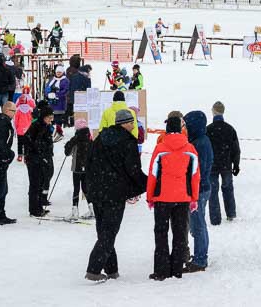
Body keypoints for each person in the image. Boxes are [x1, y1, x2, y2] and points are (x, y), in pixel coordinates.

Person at [84, 109, 146, 283]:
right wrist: (147, 183)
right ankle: (93, 269)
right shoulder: (128, 142)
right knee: (109, 231)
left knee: (104, 229)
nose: (133, 125)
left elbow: (88, 163)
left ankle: (112, 269)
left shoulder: (100, 139)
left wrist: (89, 187)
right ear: (125, 123)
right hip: (115, 192)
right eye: (131, 122)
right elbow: (133, 170)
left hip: (97, 191)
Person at [146, 114, 200, 281]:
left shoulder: (160, 149)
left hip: (162, 197)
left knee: (161, 233)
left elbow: (153, 175)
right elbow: (195, 176)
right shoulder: (190, 148)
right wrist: (194, 198)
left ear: (167, 129)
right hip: (183, 197)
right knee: (179, 232)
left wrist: (150, 196)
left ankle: (161, 270)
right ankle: (177, 269)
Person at [182, 110, 213, 273]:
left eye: (188, 125)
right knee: (198, 224)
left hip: (198, 190)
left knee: (198, 225)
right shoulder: (199, 140)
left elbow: (197, 169)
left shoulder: (199, 143)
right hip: (201, 188)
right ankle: (200, 256)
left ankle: (201, 259)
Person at [206, 101, 240, 225]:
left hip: (212, 165)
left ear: (213, 111)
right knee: (228, 188)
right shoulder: (230, 129)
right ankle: (231, 213)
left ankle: (215, 219)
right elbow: (236, 148)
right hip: (226, 164)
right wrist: (236, 164)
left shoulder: (208, 129)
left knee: (213, 191)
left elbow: (205, 149)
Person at [24, 104, 55, 217]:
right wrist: (38, 151)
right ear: (43, 117)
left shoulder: (45, 126)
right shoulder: (36, 126)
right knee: (35, 184)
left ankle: (39, 206)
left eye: (52, 118)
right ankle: (34, 209)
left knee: (41, 182)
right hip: (34, 159)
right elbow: (30, 141)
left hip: (41, 159)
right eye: (49, 118)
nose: (50, 120)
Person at [64, 118, 93, 220]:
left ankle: (75, 211)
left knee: (76, 188)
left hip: (77, 167)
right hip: (87, 168)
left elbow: (67, 152)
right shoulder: (90, 138)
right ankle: (92, 209)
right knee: (86, 188)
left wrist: (67, 145)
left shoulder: (75, 139)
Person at [46, 65, 69, 139]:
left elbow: (65, 91)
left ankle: (59, 132)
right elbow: (46, 88)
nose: (58, 73)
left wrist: (56, 94)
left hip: (60, 103)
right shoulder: (52, 79)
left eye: (60, 72)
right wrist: (48, 94)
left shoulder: (65, 80)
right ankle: (51, 131)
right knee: (50, 117)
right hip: (51, 102)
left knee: (58, 118)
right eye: (57, 72)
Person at [14, 85, 35, 162]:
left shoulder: (18, 110)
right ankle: (26, 156)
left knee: (20, 143)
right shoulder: (30, 109)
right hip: (28, 129)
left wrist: (16, 128)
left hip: (20, 130)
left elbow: (16, 120)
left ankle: (20, 156)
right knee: (27, 143)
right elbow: (32, 119)